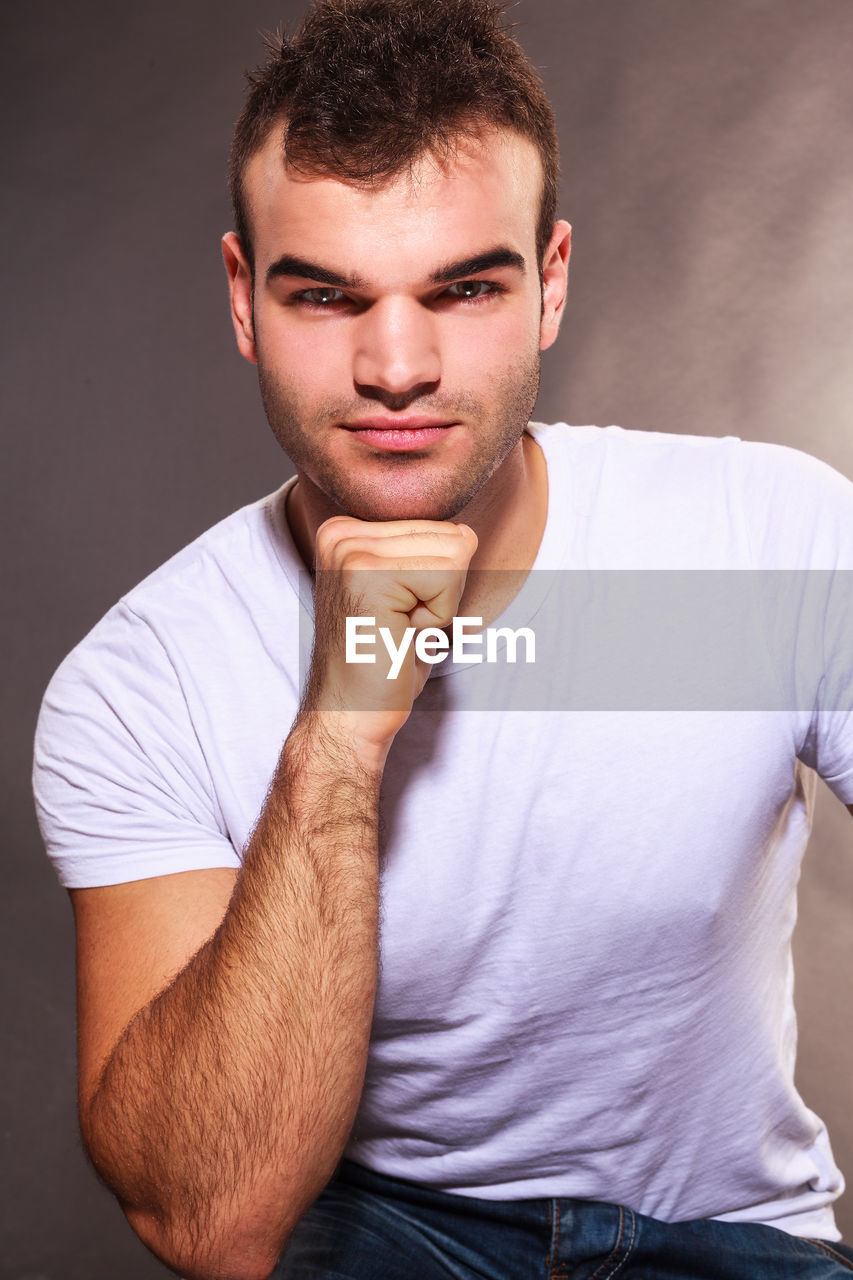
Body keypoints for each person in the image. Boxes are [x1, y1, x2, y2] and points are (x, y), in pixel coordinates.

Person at [32, 1, 853, 1278]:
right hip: (373, 1233)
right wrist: (341, 730)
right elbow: (209, 1219)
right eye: (329, 295)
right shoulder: (146, 682)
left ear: (552, 284)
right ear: (246, 298)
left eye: (464, 288)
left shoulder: (755, 543)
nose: (398, 365)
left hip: (729, 1239)